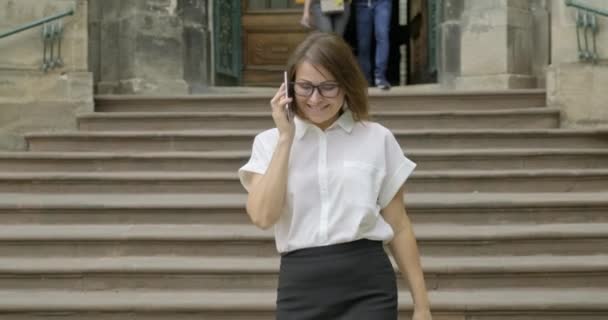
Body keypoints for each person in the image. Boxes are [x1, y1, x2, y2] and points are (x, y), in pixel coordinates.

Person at [238, 32, 432, 320]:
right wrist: (285, 139)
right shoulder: (268, 143)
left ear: (347, 85)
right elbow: (263, 217)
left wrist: (422, 306)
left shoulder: (377, 139)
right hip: (300, 287)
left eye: (328, 87)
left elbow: (399, 225)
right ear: (288, 88)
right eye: (305, 87)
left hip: (368, 286)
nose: (315, 98)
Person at [354, 0, 392, 90]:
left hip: (382, 2)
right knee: (363, 44)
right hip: (361, 4)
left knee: (382, 35)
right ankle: (365, 79)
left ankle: (380, 77)